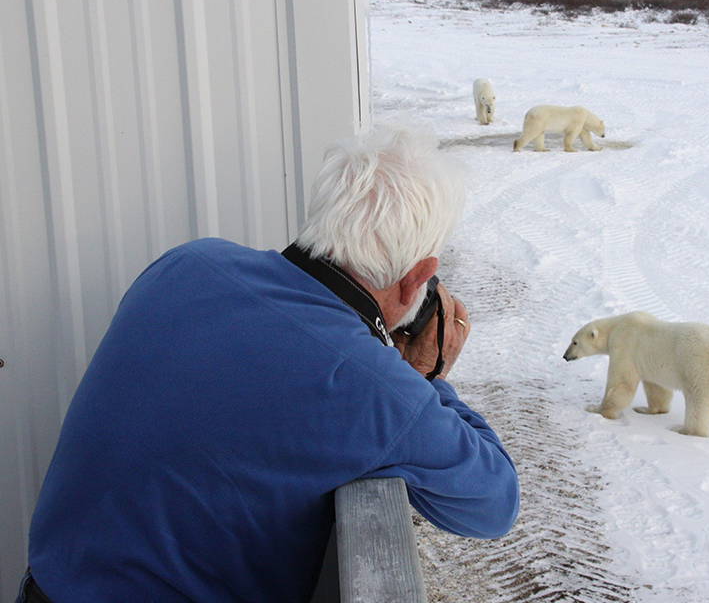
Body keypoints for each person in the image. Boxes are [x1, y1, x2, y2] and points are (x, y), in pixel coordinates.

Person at [19, 125, 519, 603]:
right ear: (418, 279)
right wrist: (427, 378)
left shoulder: (187, 264)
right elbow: (494, 504)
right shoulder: (374, 386)